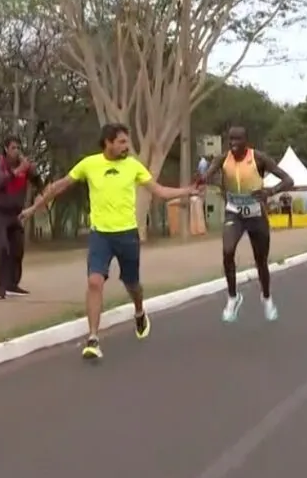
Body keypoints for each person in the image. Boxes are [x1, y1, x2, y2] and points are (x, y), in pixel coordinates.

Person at [19, 123, 200, 359]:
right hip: (100, 236)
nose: (127, 147)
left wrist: (188, 190)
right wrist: (33, 209)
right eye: (122, 142)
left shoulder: (133, 166)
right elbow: (58, 187)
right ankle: (93, 339)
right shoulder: (89, 164)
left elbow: (160, 191)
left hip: (127, 235)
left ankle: (139, 311)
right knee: (95, 282)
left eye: (127, 142)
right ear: (108, 143)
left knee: (132, 285)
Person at [198, 126, 294, 322]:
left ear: (246, 141)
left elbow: (288, 180)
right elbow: (207, 176)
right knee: (227, 251)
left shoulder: (259, 158)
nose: (234, 144)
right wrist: (201, 179)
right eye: (231, 140)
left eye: (238, 140)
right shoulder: (222, 159)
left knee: (261, 261)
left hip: (257, 215)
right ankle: (233, 297)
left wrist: (270, 191)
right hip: (234, 213)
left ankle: (266, 298)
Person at [0, 138, 42, 299]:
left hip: (16, 214)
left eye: (19, 148)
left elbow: (38, 182)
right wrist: (18, 170)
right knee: (2, 248)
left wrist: (33, 170)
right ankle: (1, 287)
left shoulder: (23, 165)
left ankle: (13, 285)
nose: (17, 151)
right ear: (6, 149)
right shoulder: (0, 164)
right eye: (13, 148)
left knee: (18, 249)